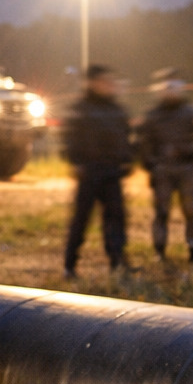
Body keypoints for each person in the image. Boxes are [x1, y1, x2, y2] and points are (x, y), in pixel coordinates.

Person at [63, 64, 133, 277]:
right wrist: (76, 162)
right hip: (90, 172)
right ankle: (70, 264)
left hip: (112, 172)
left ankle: (117, 261)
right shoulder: (80, 109)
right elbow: (69, 138)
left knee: (116, 218)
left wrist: (127, 160)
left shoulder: (117, 110)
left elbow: (126, 137)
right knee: (81, 219)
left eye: (111, 81)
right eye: (105, 81)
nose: (109, 85)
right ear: (93, 83)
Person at [138, 67, 193, 263]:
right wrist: (150, 165)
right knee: (161, 212)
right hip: (162, 171)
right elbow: (144, 144)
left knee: (191, 211)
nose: (171, 90)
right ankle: (159, 251)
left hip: (186, 169)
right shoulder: (152, 115)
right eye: (167, 85)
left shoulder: (190, 112)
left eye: (175, 85)